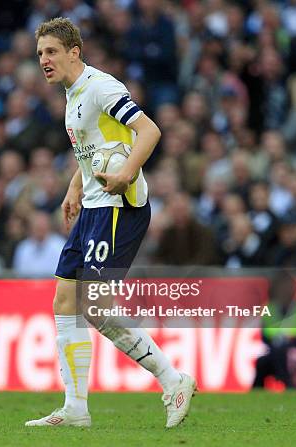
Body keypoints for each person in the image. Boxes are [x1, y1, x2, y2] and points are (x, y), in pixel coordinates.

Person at [26, 18, 196, 429]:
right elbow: (94, 148)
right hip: (93, 206)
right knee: (64, 302)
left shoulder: (102, 87)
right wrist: (74, 187)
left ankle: (173, 381)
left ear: (74, 51)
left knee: (96, 308)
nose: (44, 61)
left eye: (51, 52)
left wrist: (125, 175)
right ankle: (75, 409)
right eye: (39, 54)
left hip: (119, 206)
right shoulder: (72, 95)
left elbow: (148, 131)